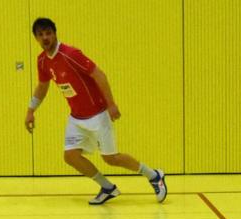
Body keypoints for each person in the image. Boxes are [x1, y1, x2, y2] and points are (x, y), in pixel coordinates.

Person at [24, 17, 166, 206]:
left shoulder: (71, 54)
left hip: (98, 114)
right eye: (40, 35)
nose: (45, 38)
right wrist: (31, 110)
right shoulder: (42, 61)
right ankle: (107, 187)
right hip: (76, 117)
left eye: (48, 33)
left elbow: (99, 75)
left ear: (55, 33)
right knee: (71, 156)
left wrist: (111, 104)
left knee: (111, 159)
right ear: (35, 38)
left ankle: (154, 175)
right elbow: (43, 86)